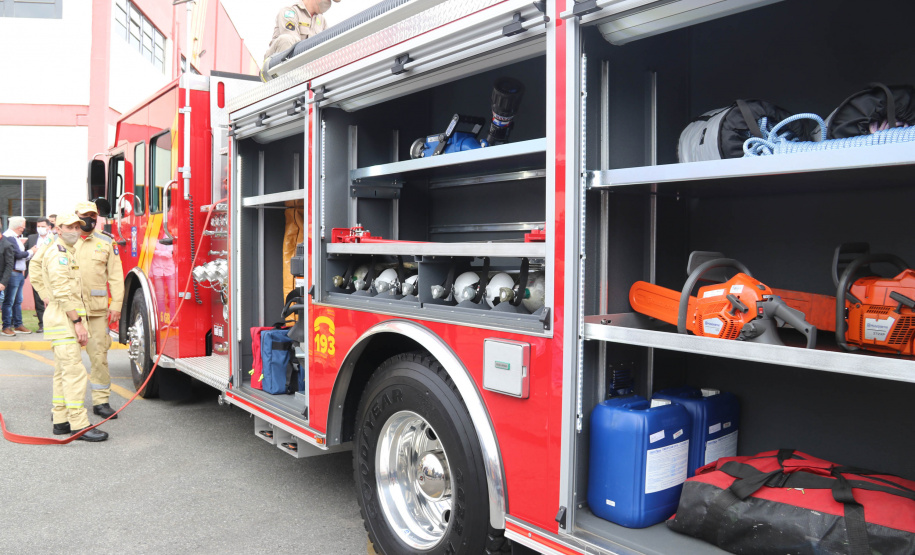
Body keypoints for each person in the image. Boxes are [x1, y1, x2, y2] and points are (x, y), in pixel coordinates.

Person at [43, 213, 108, 441]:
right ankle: (79, 425)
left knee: (63, 374)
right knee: (75, 374)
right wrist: (78, 322)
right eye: (69, 226)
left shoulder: (68, 252)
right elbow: (62, 293)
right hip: (65, 322)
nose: (74, 230)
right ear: (58, 228)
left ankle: (60, 421)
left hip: (62, 322)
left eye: (77, 227)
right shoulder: (58, 254)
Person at [73, 201, 125, 419]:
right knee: (69, 360)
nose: (90, 219)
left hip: (96, 312)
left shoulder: (106, 241)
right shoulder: (63, 240)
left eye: (93, 216)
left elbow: (115, 275)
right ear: (77, 217)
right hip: (70, 311)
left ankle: (101, 402)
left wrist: (117, 304)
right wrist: (47, 296)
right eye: (85, 215)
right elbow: (41, 269)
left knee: (99, 356)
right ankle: (69, 406)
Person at [262, 0, 341, 76]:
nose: (328, 3)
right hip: (274, 67)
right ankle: (288, 79)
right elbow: (291, 47)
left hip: (305, 68)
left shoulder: (321, 20)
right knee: (287, 40)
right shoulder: (290, 12)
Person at [2, 216, 38, 336]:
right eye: (23, 225)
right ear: (19, 227)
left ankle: (18, 324)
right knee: (9, 301)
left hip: (18, 273)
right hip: (13, 273)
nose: (24, 228)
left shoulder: (14, 237)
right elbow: (17, 255)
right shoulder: (9, 238)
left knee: (17, 301)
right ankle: (6, 326)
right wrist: (32, 251)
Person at [26, 218, 54, 332]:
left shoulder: (55, 238)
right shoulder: (32, 238)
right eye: (38, 226)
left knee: (51, 298)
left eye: (43, 226)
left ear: (49, 227)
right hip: (37, 272)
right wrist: (32, 252)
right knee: (38, 299)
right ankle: (42, 324)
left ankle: (52, 323)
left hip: (51, 272)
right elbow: (25, 254)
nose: (40, 229)